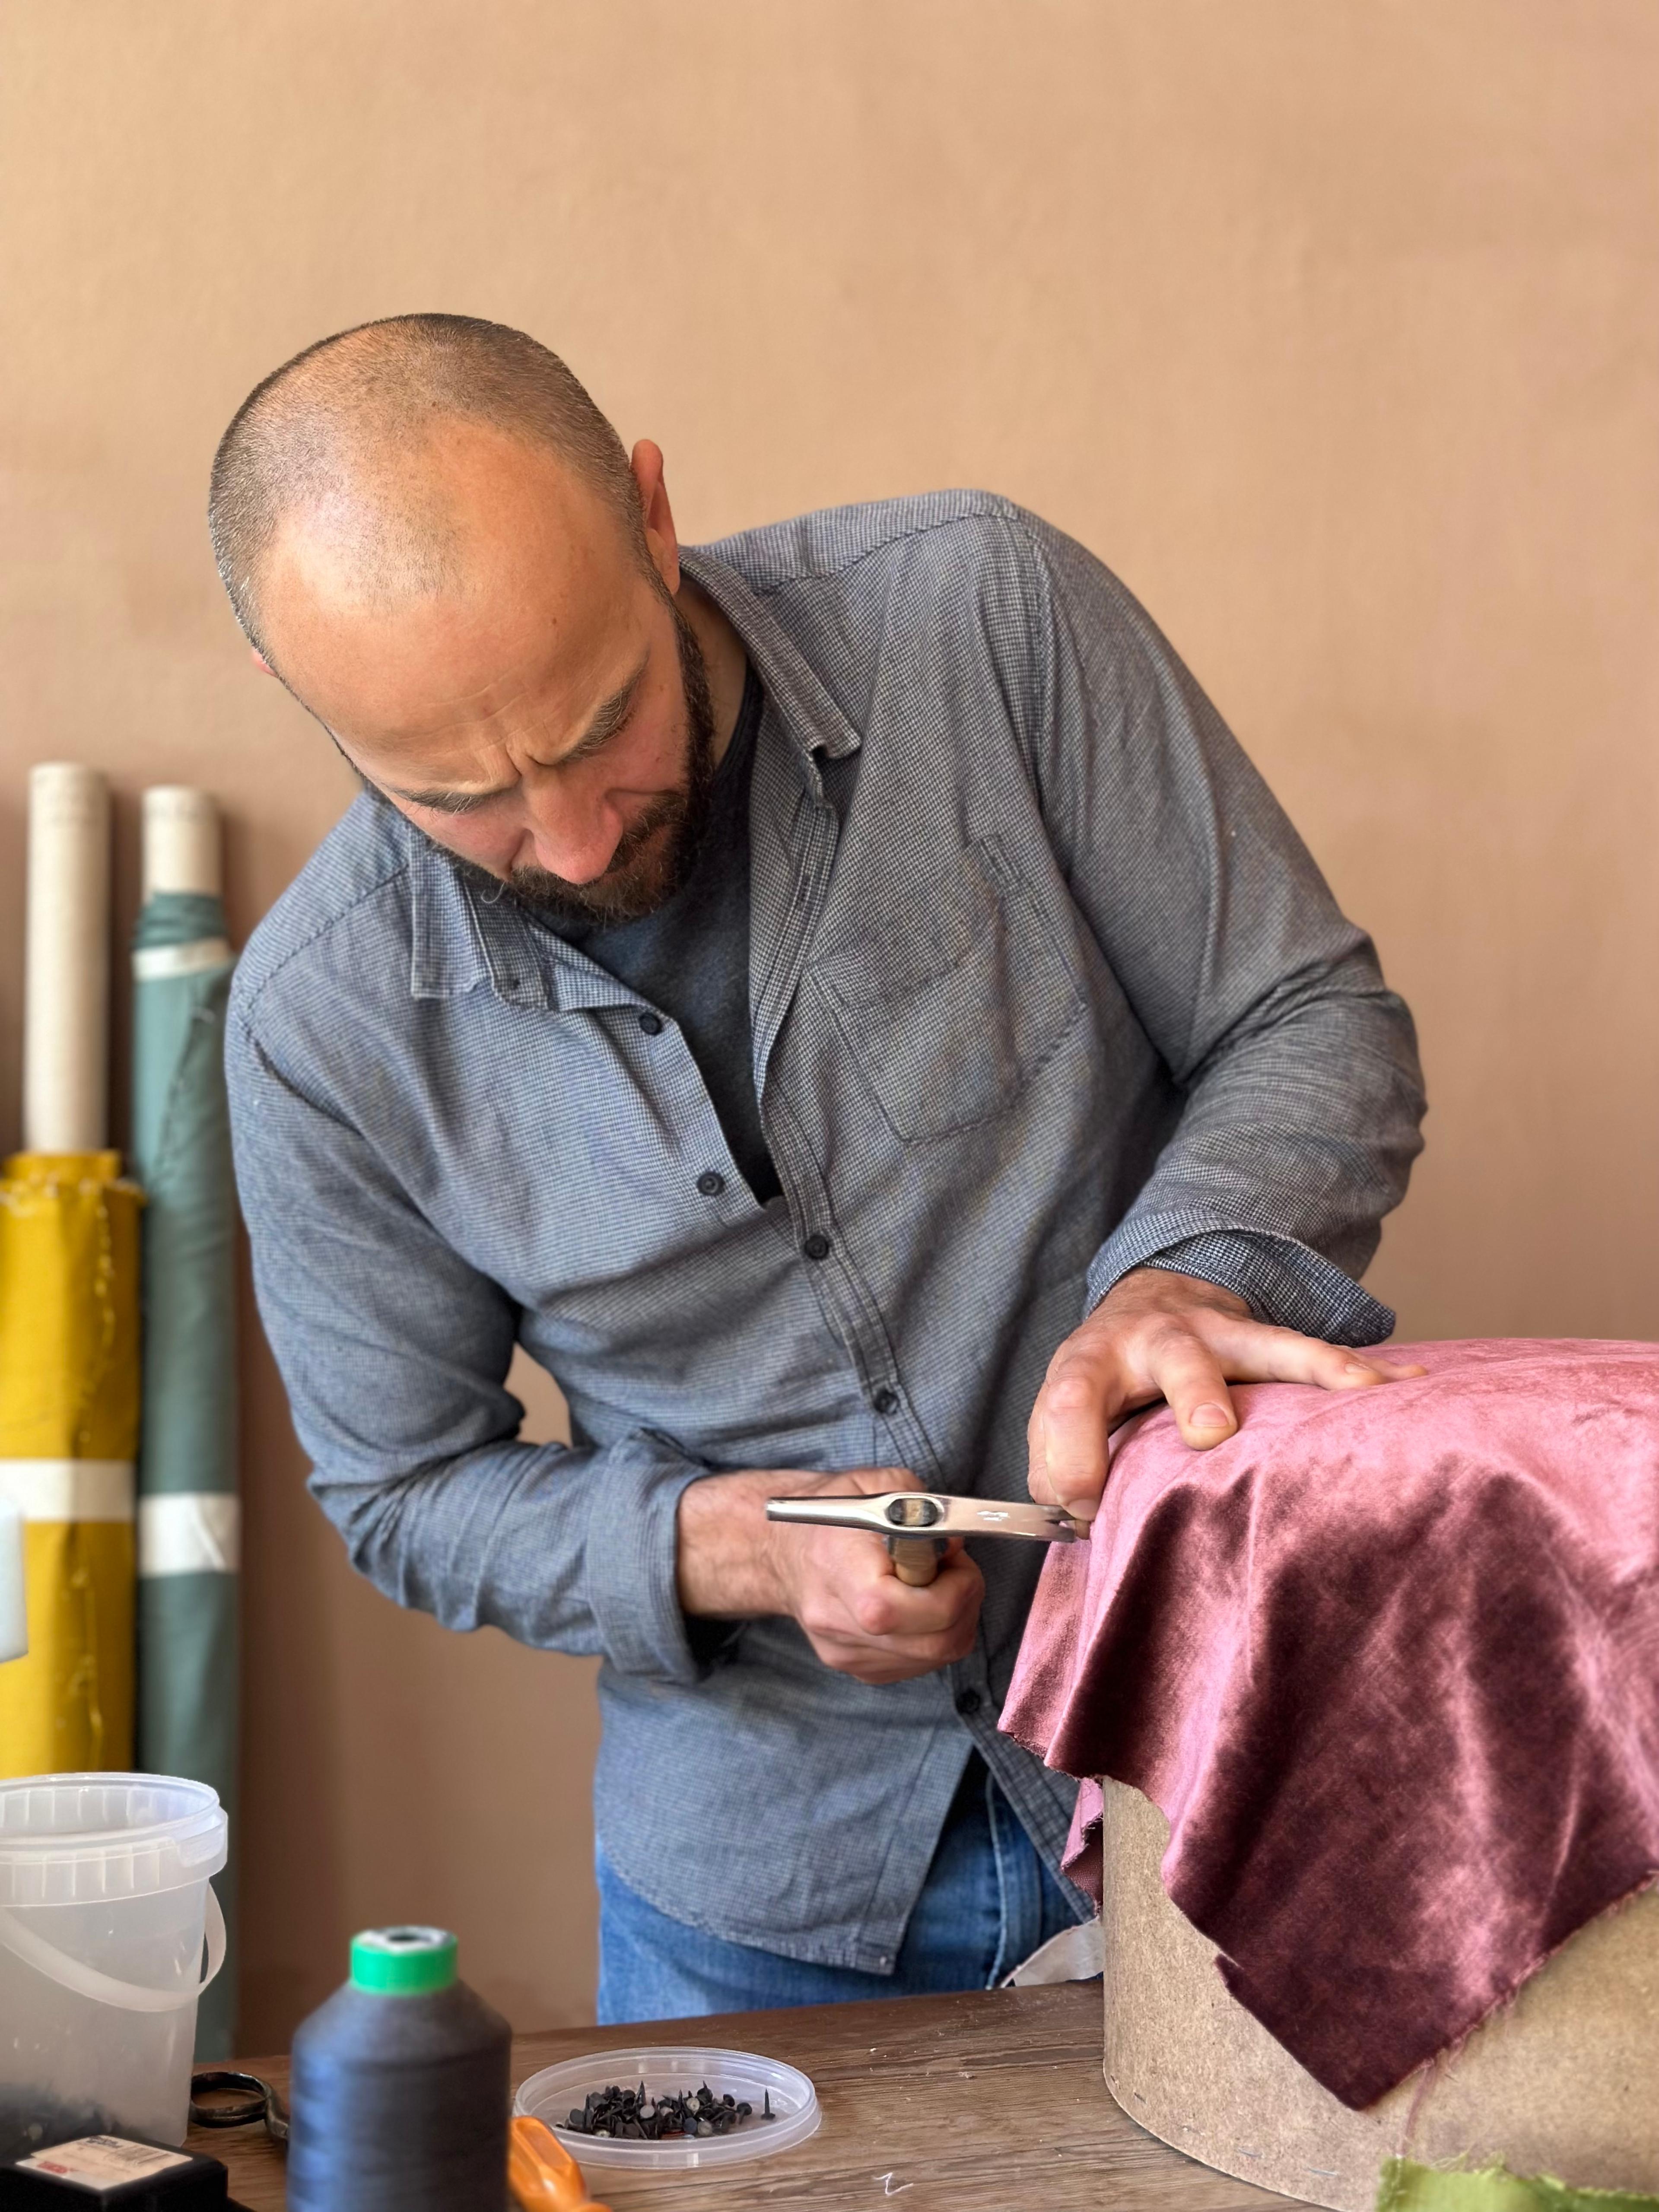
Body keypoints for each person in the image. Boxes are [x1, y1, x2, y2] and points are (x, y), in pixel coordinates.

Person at [212, 313, 1427, 2022]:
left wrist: (1184, 1275)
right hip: (758, 1890)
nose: (573, 838)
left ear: (651, 514)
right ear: (300, 689)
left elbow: (1307, 1017)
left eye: (604, 721)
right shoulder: (313, 1022)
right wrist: (741, 1549)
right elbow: (403, 1488)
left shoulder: (981, 612)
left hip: (1223, 1768)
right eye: (457, 795)